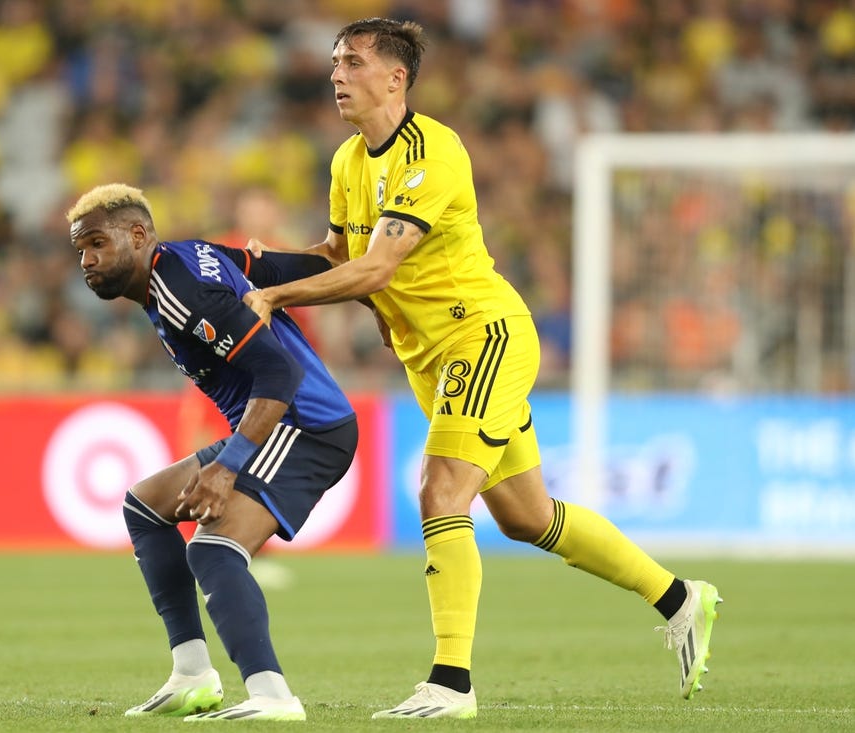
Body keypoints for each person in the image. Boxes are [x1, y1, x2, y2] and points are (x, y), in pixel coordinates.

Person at [243, 17, 722, 720]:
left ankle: (450, 681)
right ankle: (681, 597)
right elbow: (341, 253)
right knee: (529, 517)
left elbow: (376, 267)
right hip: (430, 359)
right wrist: (259, 263)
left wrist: (274, 295)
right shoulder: (349, 161)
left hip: (483, 337)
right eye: (335, 62)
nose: (336, 74)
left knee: (440, 491)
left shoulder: (433, 151)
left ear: (395, 77)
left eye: (351, 61)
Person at [67, 183, 358, 722]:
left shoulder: (181, 288)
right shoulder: (188, 259)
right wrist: (361, 284)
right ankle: (193, 674)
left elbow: (279, 372)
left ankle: (272, 696)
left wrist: (227, 467)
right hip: (277, 421)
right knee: (145, 506)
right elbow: (265, 267)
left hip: (304, 424)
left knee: (213, 549)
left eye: (97, 245)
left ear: (138, 235)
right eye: (80, 250)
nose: (87, 261)